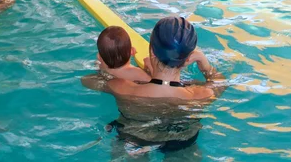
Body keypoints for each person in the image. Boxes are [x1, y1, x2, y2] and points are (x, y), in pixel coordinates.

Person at [82, 16, 225, 154]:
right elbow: (220, 82)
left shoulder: (122, 87)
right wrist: (205, 66)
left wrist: (107, 69)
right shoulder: (200, 95)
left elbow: (88, 80)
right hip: (182, 139)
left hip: (136, 136)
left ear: (152, 51)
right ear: (187, 58)